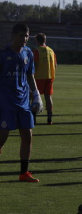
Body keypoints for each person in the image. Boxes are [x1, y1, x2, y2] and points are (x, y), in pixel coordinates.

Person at [0, 23, 43, 182]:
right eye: (21, 36)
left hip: (24, 102)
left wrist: (36, 94)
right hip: (6, 103)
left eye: (26, 36)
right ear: (13, 35)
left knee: (27, 135)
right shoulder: (3, 54)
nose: (24, 39)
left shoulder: (28, 53)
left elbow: (30, 76)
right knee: (2, 137)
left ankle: (24, 173)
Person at [33, 33, 57, 125]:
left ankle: (34, 119)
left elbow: (35, 64)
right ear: (45, 40)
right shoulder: (51, 51)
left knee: (34, 96)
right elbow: (55, 64)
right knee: (48, 97)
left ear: (37, 41)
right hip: (50, 76)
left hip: (39, 77)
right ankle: (49, 119)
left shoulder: (37, 51)